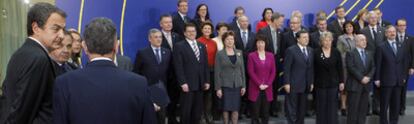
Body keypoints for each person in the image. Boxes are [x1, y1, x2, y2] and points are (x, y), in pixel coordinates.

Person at [0, 3, 66, 124]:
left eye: (63, 29)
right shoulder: (38, 58)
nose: (62, 35)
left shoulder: (21, 53)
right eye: (56, 29)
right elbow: (22, 110)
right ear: (36, 28)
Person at [173, 23, 210, 124]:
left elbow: (205, 65)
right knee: (186, 111)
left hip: (200, 84)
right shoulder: (179, 46)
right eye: (189, 31)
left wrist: (207, 80)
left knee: (197, 111)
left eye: (193, 31)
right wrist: (182, 82)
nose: (191, 33)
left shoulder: (201, 45)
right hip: (187, 84)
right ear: (184, 33)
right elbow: (178, 66)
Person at [133, 28, 172, 124]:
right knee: (149, 118)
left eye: (160, 37)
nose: (159, 39)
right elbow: (136, 72)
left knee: (162, 118)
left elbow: (170, 72)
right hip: (148, 90)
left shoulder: (167, 52)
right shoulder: (142, 53)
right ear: (150, 39)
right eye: (156, 37)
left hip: (162, 91)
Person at [375, 25, 410, 124]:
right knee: (384, 105)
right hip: (386, 80)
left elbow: (404, 63)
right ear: (386, 34)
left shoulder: (401, 45)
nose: (392, 33)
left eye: (394, 31)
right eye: (390, 32)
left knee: (396, 105)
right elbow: (378, 64)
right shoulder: (381, 47)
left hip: (398, 81)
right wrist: (377, 79)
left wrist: (403, 76)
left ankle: (394, 122)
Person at [215, 31, 246, 124]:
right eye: (227, 39)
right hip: (225, 86)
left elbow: (242, 70)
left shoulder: (239, 52)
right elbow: (217, 72)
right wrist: (218, 88)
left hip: (237, 85)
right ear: (224, 41)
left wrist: (244, 85)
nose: (230, 41)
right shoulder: (220, 54)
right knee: (226, 108)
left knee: (235, 108)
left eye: (231, 39)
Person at [283, 30, 314, 124]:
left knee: (302, 109)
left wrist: (311, 82)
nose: (306, 39)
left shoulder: (310, 50)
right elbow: (287, 68)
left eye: (307, 37)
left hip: (305, 84)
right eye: (304, 37)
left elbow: (311, 68)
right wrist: (287, 83)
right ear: (298, 39)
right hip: (293, 84)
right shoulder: (291, 50)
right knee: (292, 109)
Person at [257, 12, 284, 117]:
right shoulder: (263, 31)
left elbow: (280, 48)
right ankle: (263, 111)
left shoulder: (280, 32)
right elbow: (259, 47)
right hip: (264, 63)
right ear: (275, 20)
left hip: (276, 63)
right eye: (280, 21)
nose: (281, 23)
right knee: (265, 86)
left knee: (275, 86)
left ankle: (273, 109)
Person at [313, 32, 344, 124]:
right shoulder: (316, 52)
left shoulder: (336, 52)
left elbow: (340, 68)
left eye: (329, 40)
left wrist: (341, 82)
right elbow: (313, 68)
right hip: (320, 83)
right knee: (321, 106)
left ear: (332, 41)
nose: (327, 42)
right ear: (321, 42)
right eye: (325, 40)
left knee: (332, 107)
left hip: (333, 83)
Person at [345, 34, 375, 124]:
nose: (364, 41)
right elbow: (351, 67)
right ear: (356, 42)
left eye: (365, 40)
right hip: (355, 85)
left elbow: (373, 67)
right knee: (353, 109)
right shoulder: (350, 53)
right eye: (362, 40)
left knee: (363, 109)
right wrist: (361, 78)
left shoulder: (369, 53)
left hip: (366, 85)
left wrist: (368, 77)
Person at [247, 34, 276, 124]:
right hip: (255, 88)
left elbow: (273, 72)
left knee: (265, 113)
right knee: (255, 114)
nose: (260, 44)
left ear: (265, 44)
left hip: (268, 89)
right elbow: (250, 72)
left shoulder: (271, 55)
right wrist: (260, 84)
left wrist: (267, 84)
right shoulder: (251, 56)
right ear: (256, 44)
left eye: (262, 42)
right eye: (258, 42)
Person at [360, 11, 385, 114]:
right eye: (371, 18)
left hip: (380, 62)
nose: (374, 19)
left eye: (375, 17)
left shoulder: (383, 30)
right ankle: (366, 108)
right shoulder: (363, 31)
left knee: (378, 86)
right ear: (368, 19)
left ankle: (376, 108)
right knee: (366, 87)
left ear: (378, 18)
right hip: (367, 62)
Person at [197, 22, 217, 124]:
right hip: (201, 71)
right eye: (205, 28)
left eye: (209, 29)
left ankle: (208, 114)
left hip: (212, 70)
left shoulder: (213, 43)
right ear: (202, 30)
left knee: (209, 94)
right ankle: (200, 115)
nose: (207, 30)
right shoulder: (198, 41)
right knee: (201, 94)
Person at [336, 21, 357, 115]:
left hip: (356, 66)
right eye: (346, 27)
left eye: (350, 26)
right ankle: (343, 106)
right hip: (345, 65)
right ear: (344, 28)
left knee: (353, 86)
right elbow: (339, 52)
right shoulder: (341, 38)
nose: (349, 28)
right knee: (344, 87)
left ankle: (352, 105)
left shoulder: (357, 37)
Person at [396, 18, 414, 115]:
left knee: (403, 88)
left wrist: (412, 67)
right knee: (395, 89)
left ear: (406, 27)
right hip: (394, 68)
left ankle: (402, 108)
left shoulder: (411, 39)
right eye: (400, 25)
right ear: (397, 26)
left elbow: (413, 54)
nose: (402, 27)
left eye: (403, 25)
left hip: (406, 68)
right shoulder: (393, 37)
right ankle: (395, 106)